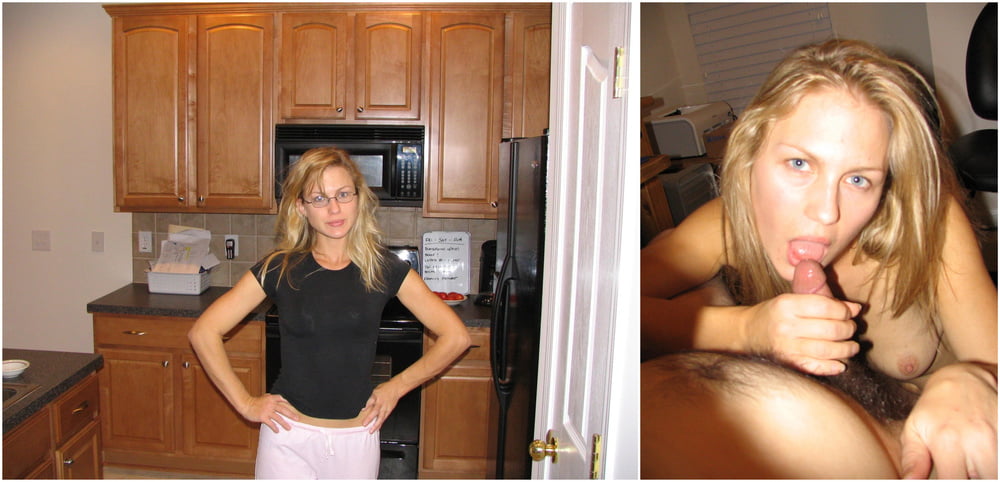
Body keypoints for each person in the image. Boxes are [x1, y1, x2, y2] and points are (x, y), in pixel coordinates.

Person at [641, 39, 997, 478]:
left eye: (858, 180)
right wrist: (746, 329)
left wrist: (974, 379)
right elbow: (604, 309)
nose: (826, 212)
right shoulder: (728, 224)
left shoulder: (927, 224)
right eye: (799, 164)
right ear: (751, 150)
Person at [189, 147, 471, 479]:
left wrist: (396, 387)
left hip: (357, 437)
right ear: (302, 207)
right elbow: (203, 332)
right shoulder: (280, 268)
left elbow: (456, 337)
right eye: (319, 198)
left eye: (343, 195)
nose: (334, 208)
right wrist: (246, 403)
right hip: (287, 437)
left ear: (358, 199)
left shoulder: (384, 268)